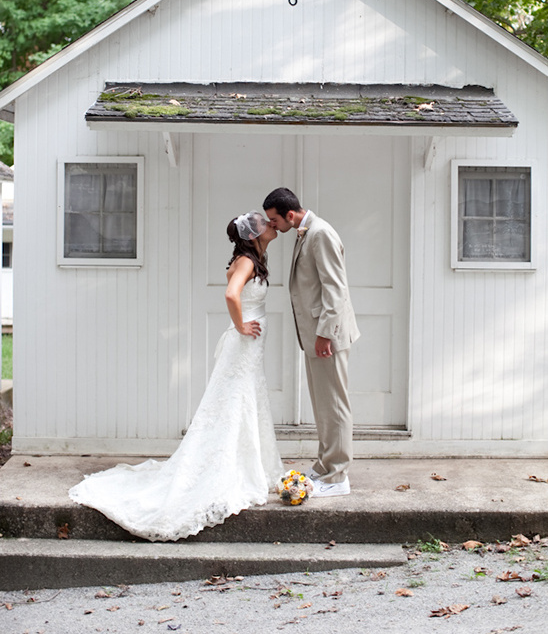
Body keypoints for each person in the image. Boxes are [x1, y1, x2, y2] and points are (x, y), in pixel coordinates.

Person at [69, 212, 283, 541]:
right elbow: (231, 294)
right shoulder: (246, 262)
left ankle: (248, 463)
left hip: (247, 352)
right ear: (254, 234)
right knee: (233, 403)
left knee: (243, 402)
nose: (272, 226)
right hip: (242, 347)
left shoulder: (254, 257)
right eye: (267, 224)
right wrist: (241, 325)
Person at [263, 188, 359, 497]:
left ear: (289, 215)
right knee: (323, 405)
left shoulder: (320, 234)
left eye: (274, 220)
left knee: (334, 405)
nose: (273, 225)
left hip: (326, 336)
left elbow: (335, 288)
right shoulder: (306, 232)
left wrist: (324, 334)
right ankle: (324, 466)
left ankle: (337, 477)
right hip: (316, 335)